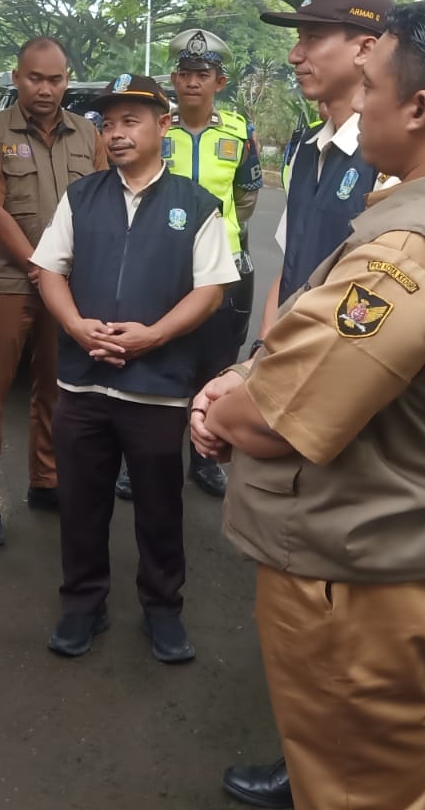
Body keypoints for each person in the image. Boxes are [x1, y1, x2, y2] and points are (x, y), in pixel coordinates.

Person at [192, 0, 425, 810]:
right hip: (421, 552)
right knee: (368, 774)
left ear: (419, 108)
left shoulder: (413, 255)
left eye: (372, 87)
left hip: (368, 583)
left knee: (362, 792)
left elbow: (276, 417)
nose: (359, 100)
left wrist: (220, 405)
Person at [220, 0, 392, 810]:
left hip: (356, 406)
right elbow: (289, 270)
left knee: (354, 605)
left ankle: (346, 774)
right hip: (297, 389)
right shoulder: (308, 150)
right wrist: (257, 360)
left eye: (312, 37)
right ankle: (313, 763)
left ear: (365, 48)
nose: (295, 52)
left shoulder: (394, 166)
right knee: (305, 595)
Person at [32, 73, 239, 663]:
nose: (116, 133)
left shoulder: (196, 205)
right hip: (83, 379)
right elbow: (49, 269)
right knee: (81, 501)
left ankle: (162, 609)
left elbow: (211, 290)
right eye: (109, 122)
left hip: (157, 387)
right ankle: (82, 604)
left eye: (131, 121)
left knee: (158, 505)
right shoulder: (83, 196)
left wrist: (154, 337)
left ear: (162, 126)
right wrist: (73, 325)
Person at [0, 37, 107, 547]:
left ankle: (46, 480)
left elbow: (104, 202)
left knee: (56, 384)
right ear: (17, 78)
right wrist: (39, 265)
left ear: (67, 79)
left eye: (55, 79)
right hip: (8, 283)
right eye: (35, 78)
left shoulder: (89, 135)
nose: (45, 89)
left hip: (69, 286)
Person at [115, 27, 260, 500]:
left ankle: (204, 455)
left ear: (220, 82)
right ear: (172, 80)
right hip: (164, 264)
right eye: (184, 73)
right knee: (153, 359)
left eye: (204, 74)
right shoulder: (159, 130)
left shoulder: (240, 133)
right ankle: (140, 460)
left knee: (216, 364)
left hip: (224, 269)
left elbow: (247, 197)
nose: (193, 81)